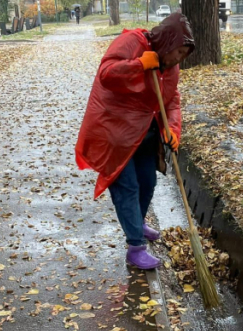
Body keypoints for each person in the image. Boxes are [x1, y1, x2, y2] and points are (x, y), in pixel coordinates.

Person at [75, 13, 195, 270]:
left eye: (184, 55)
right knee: (127, 187)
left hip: (145, 133)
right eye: (178, 52)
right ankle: (135, 246)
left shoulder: (170, 67)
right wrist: (139, 65)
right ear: (168, 41)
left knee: (147, 182)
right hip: (115, 134)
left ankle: (137, 222)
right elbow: (106, 73)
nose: (178, 59)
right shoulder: (131, 42)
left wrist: (172, 129)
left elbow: (172, 99)